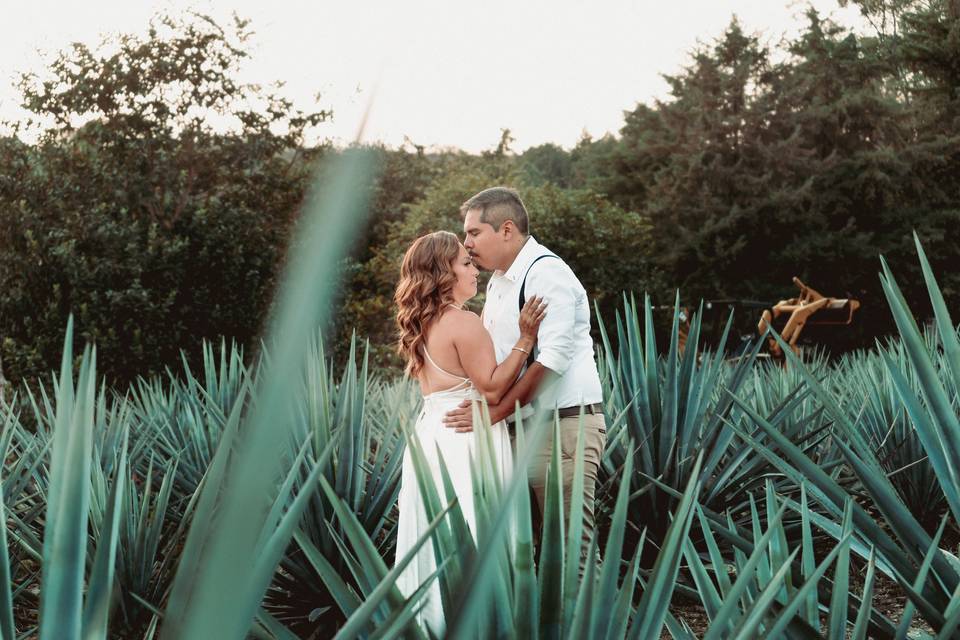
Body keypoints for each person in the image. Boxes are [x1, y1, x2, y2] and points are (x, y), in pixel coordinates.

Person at [442, 186, 606, 570]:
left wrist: (492, 415)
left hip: (561, 428)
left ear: (506, 229)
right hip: (520, 430)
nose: (466, 245)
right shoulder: (500, 280)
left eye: (473, 233)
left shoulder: (546, 273)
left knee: (571, 554)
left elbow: (553, 360)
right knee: (526, 557)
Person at [393, 230, 547, 635]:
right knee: (478, 531)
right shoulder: (463, 322)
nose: (474, 269)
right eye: (465, 263)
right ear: (444, 273)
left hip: (431, 439)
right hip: (466, 441)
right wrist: (526, 338)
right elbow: (493, 387)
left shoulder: (423, 324)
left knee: (432, 538)